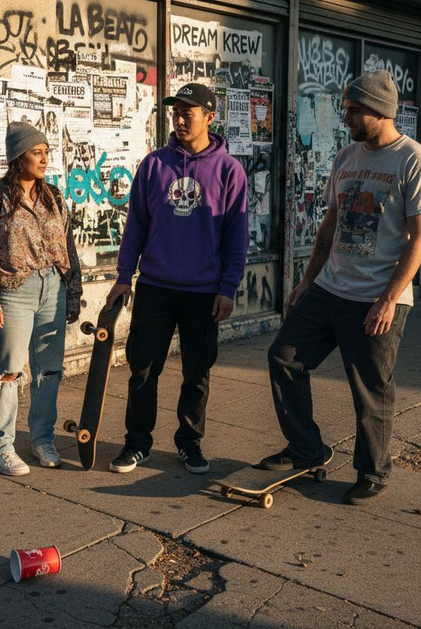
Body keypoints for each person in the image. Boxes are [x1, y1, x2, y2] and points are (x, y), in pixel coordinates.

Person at [258, 70, 421, 505]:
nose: (347, 117)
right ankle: (307, 449)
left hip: (377, 297)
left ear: (379, 111)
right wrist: (307, 280)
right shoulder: (346, 157)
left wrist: (389, 298)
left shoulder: (414, 161)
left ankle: (373, 470)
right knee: (283, 357)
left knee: (370, 387)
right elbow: (331, 223)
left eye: (354, 110)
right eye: (347, 109)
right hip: (330, 288)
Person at [105, 83, 248, 475]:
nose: (180, 118)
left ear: (209, 117)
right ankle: (137, 444)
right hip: (156, 285)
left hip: (203, 292)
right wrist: (123, 276)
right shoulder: (154, 165)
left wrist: (228, 287)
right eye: (176, 112)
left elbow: (237, 234)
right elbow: (135, 224)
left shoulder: (229, 171)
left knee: (197, 373)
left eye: (189, 112)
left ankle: (189, 443)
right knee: (142, 370)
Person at [0, 121, 82, 476]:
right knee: (8, 372)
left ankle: (41, 438)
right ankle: (0, 448)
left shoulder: (54, 196)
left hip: (53, 286)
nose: (44, 159)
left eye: (46, 152)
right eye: (37, 153)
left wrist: (73, 291)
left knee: (49, 371)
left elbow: (67, 246)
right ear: (18, 157)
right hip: (14, 292)